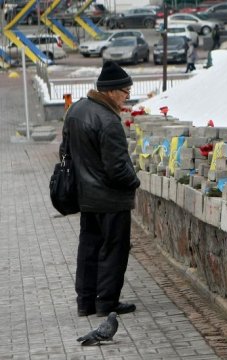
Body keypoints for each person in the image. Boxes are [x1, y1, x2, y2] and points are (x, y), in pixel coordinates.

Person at [60, 61, 140, 317]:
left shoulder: (76, 110)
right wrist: (134, 182)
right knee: (114, 251)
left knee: (89, 249)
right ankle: (107, 302)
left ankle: (85, 302)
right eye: (125, 91)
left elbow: (65, 152)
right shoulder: (108, 120)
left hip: (86, 197)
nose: (127, 97)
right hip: (111, 199)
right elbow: (117, 168)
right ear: (110, 91)